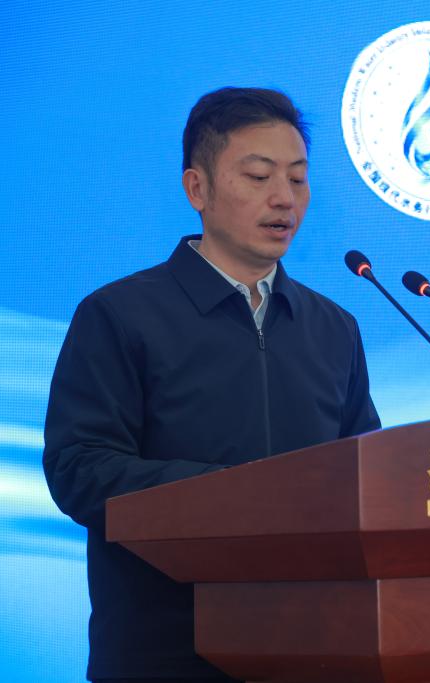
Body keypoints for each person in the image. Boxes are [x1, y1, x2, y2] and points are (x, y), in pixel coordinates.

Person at [43, 87, 381, 682]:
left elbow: (367, 475)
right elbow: (81, 469)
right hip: (166, 655)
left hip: (317, 650)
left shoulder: (333, 327)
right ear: (197, 189)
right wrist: (232, 495)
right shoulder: (121, 314)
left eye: (298, 179)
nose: (284, 198)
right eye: (259, 176)